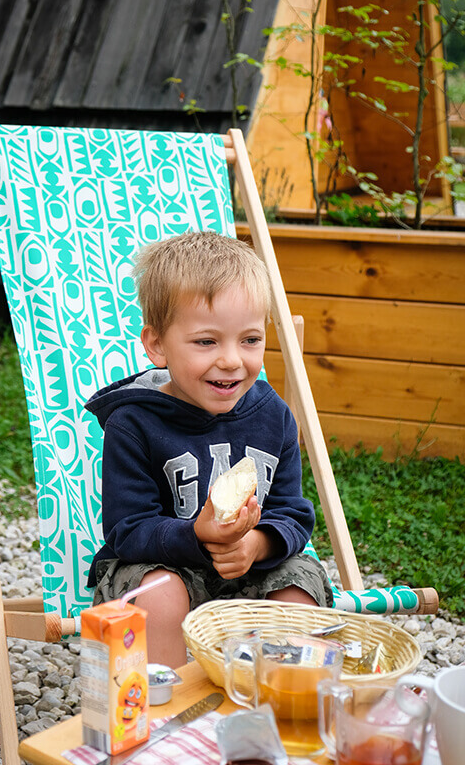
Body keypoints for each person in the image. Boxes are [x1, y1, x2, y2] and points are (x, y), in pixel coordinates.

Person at [84, 231, 333, 668]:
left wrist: (258, 542)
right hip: (163, 566)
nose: (233, 360)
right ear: (157, 345)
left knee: (297, 589)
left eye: (250, 340)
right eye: (207, 341)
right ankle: (170, 715)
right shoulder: (134, 423)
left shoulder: (273, 415)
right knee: (157, 596)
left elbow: (292, 513)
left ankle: (284, 703)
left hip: (250, 566)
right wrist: (197, 536)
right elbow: (127, 530)